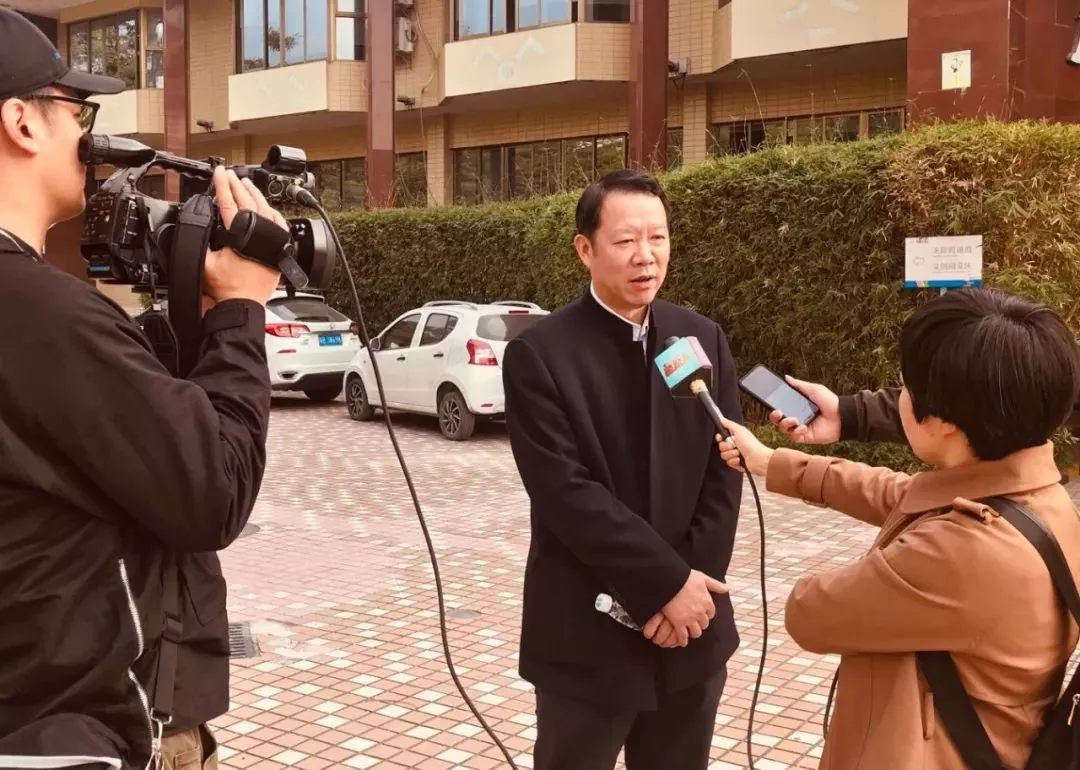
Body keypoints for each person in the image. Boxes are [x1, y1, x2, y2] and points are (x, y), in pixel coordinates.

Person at [0, 9, 286, 770]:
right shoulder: (39, 314)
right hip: (67, 731)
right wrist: (240, 310)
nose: (86, 137)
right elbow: (211, 490)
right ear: (21, 122)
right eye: (78, 112)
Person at [715, 288, 1080, 769]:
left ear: (944, 422)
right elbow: (900, 493)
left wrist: (883, 559)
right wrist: (771, 463)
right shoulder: (1044, 502)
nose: (900, 398)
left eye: (904, 387)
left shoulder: (957, 553)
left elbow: (808, 612)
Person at [502, 169, 744, 770]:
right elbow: (564, 493)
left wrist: (691, 590)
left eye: (658, 237)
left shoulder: (699, 337)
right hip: (589, 633)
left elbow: (725, 472)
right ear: (585, 249)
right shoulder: (541, 354)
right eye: (626, 240)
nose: (646, 256)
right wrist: (665, 586)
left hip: (691, 632)